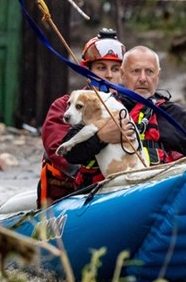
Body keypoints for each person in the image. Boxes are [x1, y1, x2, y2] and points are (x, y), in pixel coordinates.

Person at [61, 44, 186, 173]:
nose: (143, 79)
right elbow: (70, 154)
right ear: (122, 75)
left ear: (158, 76)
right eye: (136, 71)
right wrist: (101, 137)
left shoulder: (175, 115)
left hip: (156, 190)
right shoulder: (102, 106)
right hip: (107, 194)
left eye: (149, 72)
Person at [38, 29, 130, 206]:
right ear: (87, 71)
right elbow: (59, 151)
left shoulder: (127, 108)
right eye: (101, 68)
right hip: (72, 194)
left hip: (119, 189)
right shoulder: (64, 106)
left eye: (115, 69)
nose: (109, 75)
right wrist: (100, 139)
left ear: (123, 74)